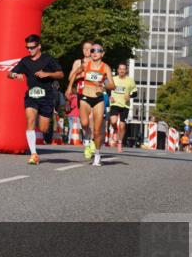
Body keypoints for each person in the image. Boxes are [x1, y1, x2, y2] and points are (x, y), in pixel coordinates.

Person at [7, 34, 64, 165]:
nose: (30, 50)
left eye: (32, 47)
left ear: (39, 46)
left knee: (43, 128)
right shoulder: (25, 61)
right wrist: (16, 74)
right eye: (28, 48)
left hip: (47, 97)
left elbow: (61, 74)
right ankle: (34, 154)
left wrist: (47, 74)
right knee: (30, 119)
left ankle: (46, 126)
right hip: (31, 96)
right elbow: (8, 74)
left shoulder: (48, 59)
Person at [68, 42, 115, 166]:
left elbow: (112, 85)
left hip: (98, 99)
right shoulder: (86, 65)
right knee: (84, 123)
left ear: (102, 54)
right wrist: (69, 88)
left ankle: (97, 155)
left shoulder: (106, 67)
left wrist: (103, 84)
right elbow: (72, 75)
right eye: (92, 50)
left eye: (97, 51)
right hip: (85, 97)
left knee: (97, 130)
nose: (94, 53)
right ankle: (87, 141)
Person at [64, 41, 94, 143]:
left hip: (94, 92)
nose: (86, 50)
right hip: (81, 93)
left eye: (89, 48)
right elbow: (70, 78)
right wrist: (79, 71)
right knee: (84, 121)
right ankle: (87, 140)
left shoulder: (96, 62)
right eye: (84, 48)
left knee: (92, 119)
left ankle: (90, 142)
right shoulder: (78, 62)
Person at [108, 63, 137, 153]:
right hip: (114, 103)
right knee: (113, 121)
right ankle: (115, 130)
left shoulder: (130, 81)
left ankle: (120, 143)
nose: (121, 70)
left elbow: (135, 93)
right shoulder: (113, 79)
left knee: (122, 125)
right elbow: (107, 88)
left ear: (126, 71)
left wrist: (130, 96)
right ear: (117, 70)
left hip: (125, 105)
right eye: (120, 69)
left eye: (123, 69)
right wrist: (110, 96)